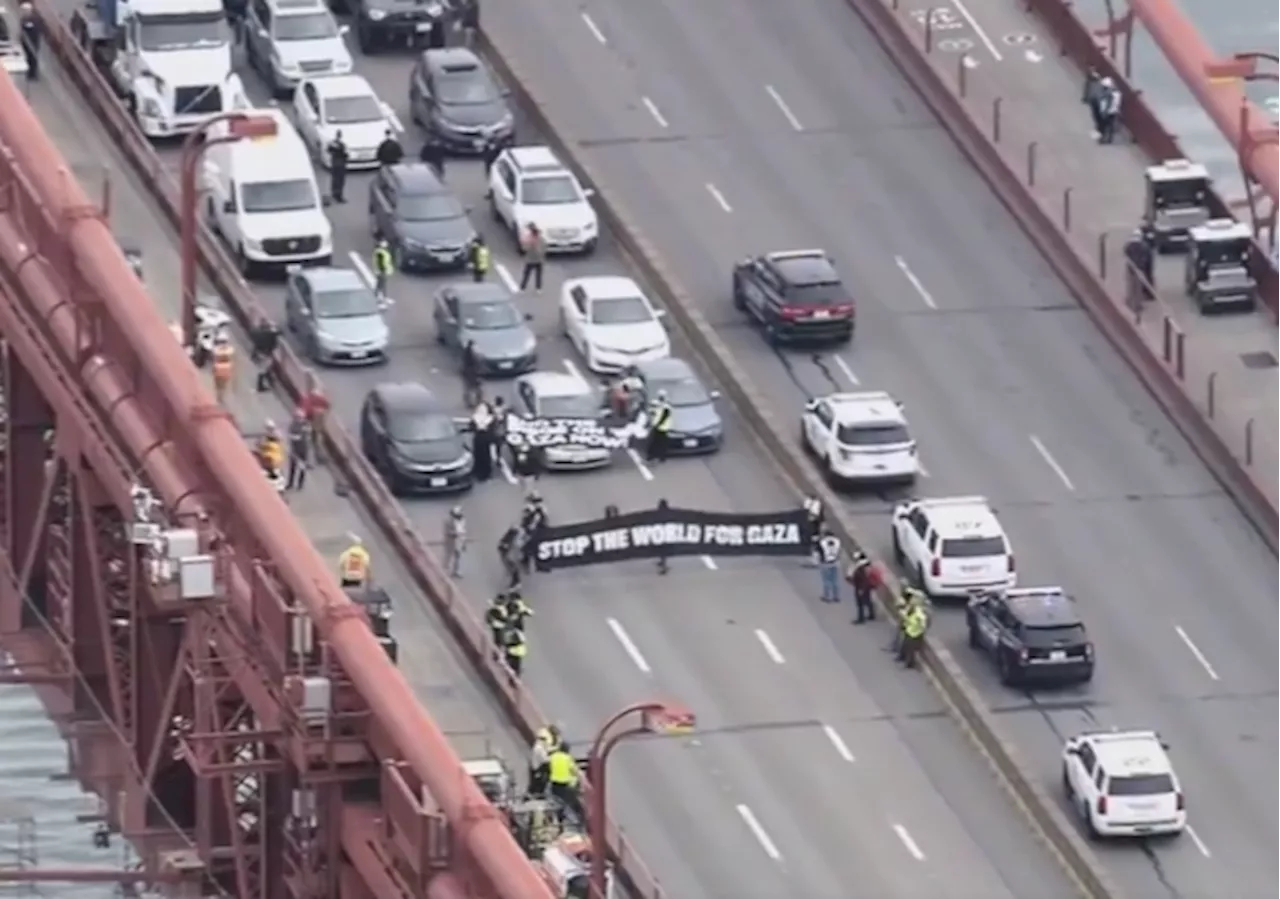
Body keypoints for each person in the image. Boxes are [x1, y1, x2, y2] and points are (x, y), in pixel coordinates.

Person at [546, 745, 583, 824]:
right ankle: (580, 820)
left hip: (555, 784)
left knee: (559, 803)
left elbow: (549, 765)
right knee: (573, 802)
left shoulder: (553, 756)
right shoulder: (567, 758)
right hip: (565, 784)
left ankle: (560, 821)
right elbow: (574, 770)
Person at [300, 376, 331, 465]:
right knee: (315, 442)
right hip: (312, 424)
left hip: (312, 424)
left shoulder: (307, 400)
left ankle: (317, 458)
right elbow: (327, 406)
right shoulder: (310, 400)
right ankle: (318, 458)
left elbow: (327, 406)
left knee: (315, 442)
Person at [1124, 227, 1154, 304]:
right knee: (1137, 286)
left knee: (1134, 285)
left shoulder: (1130, 246)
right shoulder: (1144, 246)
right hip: (1138, 269)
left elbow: (1126, 253)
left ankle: (1134, 301)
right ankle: (1136, 301)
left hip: (1135, 269)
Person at [847, 551, 879, 624]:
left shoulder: (860, 568)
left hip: (861, 587)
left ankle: (861, 619)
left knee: (860, 603)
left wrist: (860, 589)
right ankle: (872, 615)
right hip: (867, 586)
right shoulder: (867, 565)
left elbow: (862, 579)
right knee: (867, 600)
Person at [250, 319, 281, 392]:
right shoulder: (269, 334)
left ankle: (270, 381)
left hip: (258, 353)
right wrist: (273, 327)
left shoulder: (257, 332)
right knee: (264, 369)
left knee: (265, 367)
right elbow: (279, 332)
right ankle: (260, 386)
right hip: (266, 353)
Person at [286, 410, 313, 491]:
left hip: (304, 449)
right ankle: (290, 483)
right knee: (292, 467)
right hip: (295, 449)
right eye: (297, 417)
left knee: (302, 468)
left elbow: (307, 433)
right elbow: (291, 436)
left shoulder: (306, 425)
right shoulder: (293, 425)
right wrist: (297, 436)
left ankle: (300, 485)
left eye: (300, 417)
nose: (299, 419)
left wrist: (297, 436)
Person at [471, 398, 495, 482]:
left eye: (483, 408)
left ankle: (486, 473)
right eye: (480, 408)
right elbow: (471, 427)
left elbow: (493, 429)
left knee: (486, 457)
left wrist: (485, 428)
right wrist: (477, 428)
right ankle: (477, 472)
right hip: (477, 439)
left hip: (486, 440)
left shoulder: (490, 418)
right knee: (477, 456)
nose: (481, 410)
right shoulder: (475, 417)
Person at [899, 602, 929, 669]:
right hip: (909, 631)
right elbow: (906, 618)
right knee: (906, 645)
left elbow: (923, 623)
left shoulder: (919, 615)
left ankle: (910, 664)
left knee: (911, 649)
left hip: (914, 634)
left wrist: (921, 629)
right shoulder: (909, 611)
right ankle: (903, 658)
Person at [645, 391, 673, 462]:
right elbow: (654, 412)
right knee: (657, 442)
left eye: (661, 396)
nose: (660, 397)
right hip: (659, 426)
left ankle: (656, 456)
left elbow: (664, 416)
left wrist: (658, 424)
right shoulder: (658, 404)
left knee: (658, 442)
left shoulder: (666, 406)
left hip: (662, 427)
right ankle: (655, 456)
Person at [816, 528, 841, 603]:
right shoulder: (837, 541)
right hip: (835, 562)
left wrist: (819, 561)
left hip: (825, 563)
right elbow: (839, 551)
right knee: (835, 580)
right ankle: (836, 596)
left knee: (826, 581)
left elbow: (819, 552)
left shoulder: (822, 542)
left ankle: (827, 597)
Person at [519, 223, 545, 292]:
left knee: (536, 275)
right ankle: (523, 287)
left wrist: (534, 247)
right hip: (531, 260)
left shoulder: (540, 240)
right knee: (527, 274)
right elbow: (524, 249)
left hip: (536, 260)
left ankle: (538, 288)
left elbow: (542, 250)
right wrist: (530, 245)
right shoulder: (530, 239)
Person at [1096, 77, 1122, 144]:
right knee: (1110, 125)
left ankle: (1103, 138)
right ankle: (1109, 139)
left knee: (1104, 125)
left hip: (1107, 111)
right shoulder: (1118, 93)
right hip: (1113, 111)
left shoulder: (1109, 94)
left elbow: (1106, 102)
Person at [443, 506, 467, 578]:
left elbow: (463, 530)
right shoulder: (448, 521)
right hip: (451, 541)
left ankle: (456, 571)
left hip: (459, 540)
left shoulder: (463, 520)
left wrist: (464, 542)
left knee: (458, 556)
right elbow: (447, 532)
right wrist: (454, 534)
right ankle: (445, 571)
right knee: (449, 556)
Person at [210, 334, 234, 406]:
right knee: (223, 384)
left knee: (218, 384)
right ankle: (221, 397)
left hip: (218, 367)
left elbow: (214, 358)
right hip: (227, 368)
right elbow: (231, 358)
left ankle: (218, 396)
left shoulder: (216, 350)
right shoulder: (230, 350)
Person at [327, 131, 349, 203]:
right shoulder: (342, 145)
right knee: (340, 181)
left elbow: (328, 150)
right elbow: (345, 154)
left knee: (334, 179)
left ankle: (334, 193)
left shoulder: (332, 143)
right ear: (341, 136)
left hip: (334, 163)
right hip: (341, 164)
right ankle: (339, 196)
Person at [18, 2, 38, 82]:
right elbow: (22, 29)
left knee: (32, 57)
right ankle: (29, 72)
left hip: (33, 41)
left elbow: (34, 31)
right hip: (25, 42)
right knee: (27, 57)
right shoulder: (23, 19)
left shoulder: (34, 19)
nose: (24, 12)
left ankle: (33, 74)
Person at [461, 340, 481, 406]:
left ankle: (470, 401)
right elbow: (476, 362)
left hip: (468, 372)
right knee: (474, 387)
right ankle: (474, 401)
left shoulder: (466, 352)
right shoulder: (471, 353)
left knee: (469, 387)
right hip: (471, 372)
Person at [655, 498, 672, 575]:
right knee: (663, 552)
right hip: (666, 536)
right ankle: (662, 563)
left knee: (662, 552)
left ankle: (664, 567)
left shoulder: (658, 514)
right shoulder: (669, 514)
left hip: (660, 536)